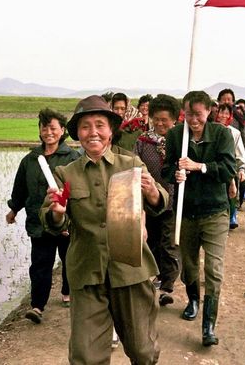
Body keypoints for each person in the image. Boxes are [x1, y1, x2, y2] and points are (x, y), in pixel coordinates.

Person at [41, 95, 169, 365]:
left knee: (143, 351)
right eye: (85, 126)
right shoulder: (65, 174)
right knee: (86, 357)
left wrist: (152, 193)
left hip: (131, 270)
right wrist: (56, 213)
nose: (93, 132)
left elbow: (160, 201)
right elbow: (51, 221)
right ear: (77, 134)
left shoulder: (131, 165)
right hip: (87, 273)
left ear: (111, 131)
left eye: (100, 125)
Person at [162, 90, 236, 347]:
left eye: (198, 114)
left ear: (209, 111)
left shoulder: (220, 134)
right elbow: (166, 168)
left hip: (215, 212)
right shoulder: (175, 135)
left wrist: (198, 166)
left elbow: (228, 169)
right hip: (187, 213)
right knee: (190, 266)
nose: (193, 120)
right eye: (189, 114)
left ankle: (208, 325)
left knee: (213, 269)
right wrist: (176, 174)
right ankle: (193, 299)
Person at [6, 108, 80, 324]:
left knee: (69, 260)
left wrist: (73, 218)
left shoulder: (73, 158)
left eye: (53, 128)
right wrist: (14, 209)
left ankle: (67, 292)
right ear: (39, 130)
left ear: (62, 130)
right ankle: (37, 306)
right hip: (39, 222)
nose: (48, 132)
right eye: (44, 127)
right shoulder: (31, 159)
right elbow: (20, 188)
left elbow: (77, 191)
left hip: (66, 222)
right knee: (40, 264)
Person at [134, 94, 181, 307]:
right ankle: (151, 279)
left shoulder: (181, 141)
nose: (161, 123)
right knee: (150, 241)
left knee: (169, 243)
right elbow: (134, 167)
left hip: (174, 200)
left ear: (174, 119)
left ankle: (167, 286)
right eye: (157, 119)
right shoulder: (143, 142)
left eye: (165, 120)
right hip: (149, 201)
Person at [215, 103, 245, 229]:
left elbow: (240, 153)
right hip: (215, 166)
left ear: (230, 116)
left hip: (229, 166)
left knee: (232, 192)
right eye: (221, 112)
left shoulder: (235, 133)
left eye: (226, 113)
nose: (223, 115)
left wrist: (242, 168)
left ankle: (232, 215)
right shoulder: (211, 128)